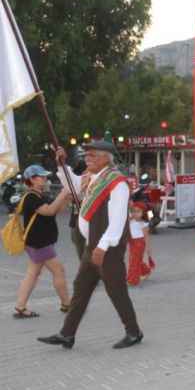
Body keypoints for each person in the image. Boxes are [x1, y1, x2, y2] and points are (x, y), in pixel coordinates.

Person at [38, 140, 142, 349]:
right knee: (81, 288)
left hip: (107, 248)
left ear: (106, 158)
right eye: (86, 155)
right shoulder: (92, 177)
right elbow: (72, 186)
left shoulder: (117, 182)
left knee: (116, 290)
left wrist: (103, 247)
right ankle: (67, 334)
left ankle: (133, 332)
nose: (87, 159)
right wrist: (61, 164)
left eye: (92, 155)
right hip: (92, 246)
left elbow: (118, 220)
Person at [12, 165, 73, 319]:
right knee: (58, 271)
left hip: (38, 242)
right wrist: (63, 192)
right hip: (39, 243)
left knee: (33, 273)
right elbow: (49, 211)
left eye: (45, 176)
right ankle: (67, 304)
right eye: (42, 177)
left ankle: (20, 306)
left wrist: (66, 198)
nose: (46, 179)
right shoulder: (31, 197)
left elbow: (57, 209)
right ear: (32, 180)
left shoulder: (40, 195)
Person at [126, 202, 154, 287]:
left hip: (139, 243)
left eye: (138, 211)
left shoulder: (144, 223)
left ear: (143, 213)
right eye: (134, 211)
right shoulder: (130, 220)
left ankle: (132, 280)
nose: (135, 213)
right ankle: (146, 271)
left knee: (133, 261)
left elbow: (146, 236)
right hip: (132, 242)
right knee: (136, 260)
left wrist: (148, 248)